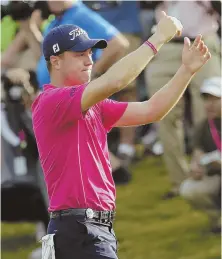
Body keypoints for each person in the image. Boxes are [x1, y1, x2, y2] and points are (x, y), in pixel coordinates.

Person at [32, 11, 211, 259]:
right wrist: (157, 39)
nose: (90, 60)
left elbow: (152, 110)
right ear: (56, 61)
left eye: (89, 53)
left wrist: (186, 71)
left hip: (93, 228)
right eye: (79, 54)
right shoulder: (50, 101)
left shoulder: (93, 105)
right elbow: (115, 81)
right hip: (78, 230)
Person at [145, 1, 221, 199]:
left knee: (210, 113)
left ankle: (212, 179)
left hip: (203, 42)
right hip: (166, 46)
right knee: (162, 114)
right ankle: (180, 183)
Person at [180, 77, 221, 234]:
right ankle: (217, 220)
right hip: (216, 177)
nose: (209, 104)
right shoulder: (203, 127)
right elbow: (198, 156)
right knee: (189, 188)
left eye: (215, 99)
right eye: (206, 99)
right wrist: (196, 168)